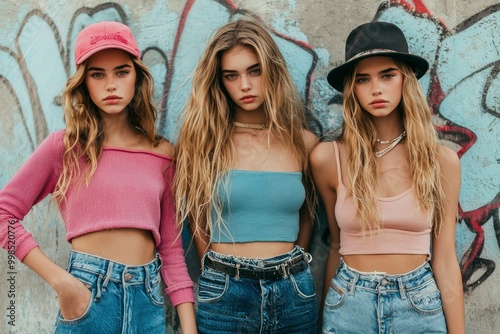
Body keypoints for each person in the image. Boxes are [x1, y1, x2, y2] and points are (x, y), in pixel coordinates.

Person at [0, 21, 196, 333]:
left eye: (122, 71)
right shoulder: (63, 148)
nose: (111, 84)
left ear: (137, 78)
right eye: (97, 74)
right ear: (83, 83)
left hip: (148, 303)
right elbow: (3, 214)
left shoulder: (162, 154)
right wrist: (62, 282)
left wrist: (189, 326)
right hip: (87, 299)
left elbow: (171, 250)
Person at [311, 21, 465, 333]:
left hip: (419, 306)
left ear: (405, 80)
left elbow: (446, 260)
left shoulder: (441, 162)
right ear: (352, 89)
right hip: (348, 304)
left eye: (387, 75)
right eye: (363, 79)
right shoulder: (329, 159)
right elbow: (336, 246)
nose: (376, 89)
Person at [174, 18, 319, 333]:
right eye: (232, 75)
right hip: (226, 291)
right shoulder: (204, 142)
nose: (245, 85)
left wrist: (294, 264)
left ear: (272, 71)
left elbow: (308, 214)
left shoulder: (304, 144)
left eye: (255, 71)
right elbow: (198, 220)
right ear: (219, 81)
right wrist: (215, 271)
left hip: (293, 291)